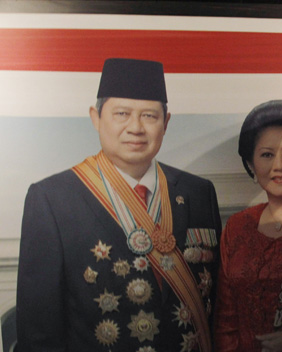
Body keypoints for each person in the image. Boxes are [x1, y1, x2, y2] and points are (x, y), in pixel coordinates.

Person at [17, 58, 222, 351]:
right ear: (95, 118)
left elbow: (216, 306)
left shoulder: (198, 192)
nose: (135, 128)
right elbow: (39, 332)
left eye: (150, 116)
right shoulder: (52, 199)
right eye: (122, 114)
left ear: (166, 122)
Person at [214, 100, 282, 352]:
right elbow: (225, 321)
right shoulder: (238, 227)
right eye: (267, 154)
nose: (279, 165)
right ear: (251, 165)